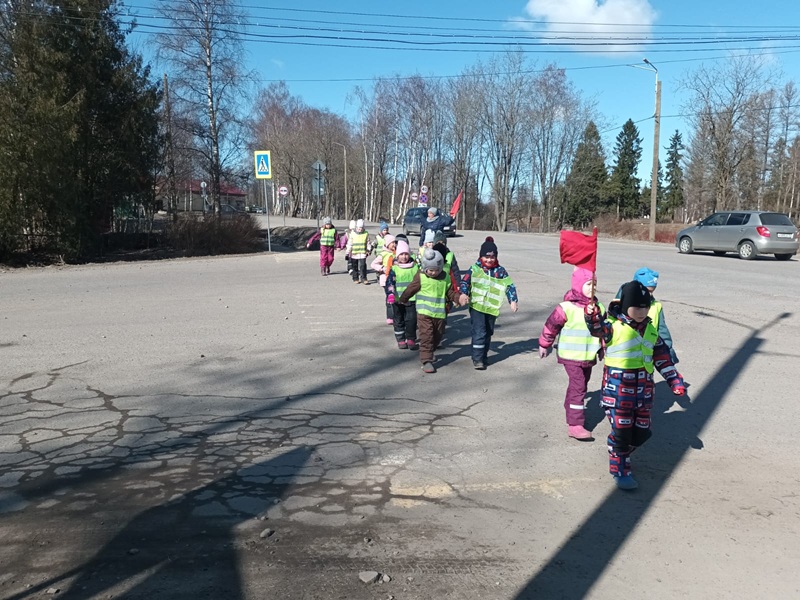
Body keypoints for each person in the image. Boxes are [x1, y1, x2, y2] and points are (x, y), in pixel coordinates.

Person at [585, 280, 686, 490]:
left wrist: (674, 380)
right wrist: (591, 315)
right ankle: (621, 468)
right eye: (636, 307)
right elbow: (597, 329)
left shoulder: (650, 330)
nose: (641, 312)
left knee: (642, 433)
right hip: (617, 394)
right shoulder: (612, 327)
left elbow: (662, 358)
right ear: (625, 306)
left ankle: (618, 450)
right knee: (622, 433)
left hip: (643, 395)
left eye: (645, 307)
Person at [538, 268, 604, 440]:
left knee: (581, 385)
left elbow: (602, 330)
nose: (592, 288)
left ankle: (570, 407)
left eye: (594, 284)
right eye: (588, 284)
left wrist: (602, 347)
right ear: (578, 285)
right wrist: (545, 344)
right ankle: (575, 424)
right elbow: (551, 326)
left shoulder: (599, 308)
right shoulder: (566, 308)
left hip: (588, 356)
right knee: (578, 386)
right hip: (571, 356)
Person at [397, 248, 468, 373]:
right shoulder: (421, 276)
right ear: (425, 267)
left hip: (439, 313)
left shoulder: (445, 277)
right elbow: (411, 288)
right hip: (424, 313)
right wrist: (403, 299)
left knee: (437, 336)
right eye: (430, 270)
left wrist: (459, 298)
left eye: (436, 270)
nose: (433, 273)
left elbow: (450, 293)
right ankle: (426, 360)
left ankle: (430, 351)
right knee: (426, 336)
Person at [459, 236, 518, 370]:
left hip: (491, 309)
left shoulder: (500, 271)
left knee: (488, 333)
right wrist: (463, 294)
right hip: (477, 307)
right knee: (479, 332)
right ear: (481, 256)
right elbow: (465, 282)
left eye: (492, 257)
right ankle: (477, 359)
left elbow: (509, 286)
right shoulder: (475, 269)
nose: (489, 260)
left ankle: (483, 356)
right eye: (486, 257)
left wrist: (513, 300)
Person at [616, 267, 680, 365]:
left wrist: (669, 350)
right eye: (647, 290)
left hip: (646, 351)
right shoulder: (621, 304)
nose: (649, 294)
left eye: (652, 291)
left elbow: (662, 330)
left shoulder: (656, 306)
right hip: (625, 354)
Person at [386, 239, 419, 350]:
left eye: (406, 254)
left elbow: (420, 282)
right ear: (397, 256)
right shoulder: (394, 269)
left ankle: (411, 338)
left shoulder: (415, 267)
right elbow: (390, 283)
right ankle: (400, 339)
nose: (404, 257)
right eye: (401, 254)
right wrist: (390, 294)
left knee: (411, 320)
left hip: (412, 299)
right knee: (398, 319)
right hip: (397, 299)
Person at [371, 234, 397, 323]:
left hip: (395, 279)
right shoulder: (383, 254)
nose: (394, 244)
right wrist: (382, 268)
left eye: (395, 242)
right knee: (390, 297)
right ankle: (390, 317)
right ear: (387, 244)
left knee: (395, 297)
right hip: (386, 279)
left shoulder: (396, 253)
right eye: (392, 243)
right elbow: (373, 264)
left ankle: (396, 315)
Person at [346, 219, 372, 285]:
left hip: (362, 253)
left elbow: (368, 242)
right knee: (355, 266)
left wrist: (368, 249)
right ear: (356, 227)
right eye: (358, 228)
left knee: (363, 265)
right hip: (354, 253)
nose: (360, 229)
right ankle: (355, 278)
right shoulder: (352, 234)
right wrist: (347, 252)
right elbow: (350, 243)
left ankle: (364, 278)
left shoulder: (366, 234)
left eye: (361, 228)